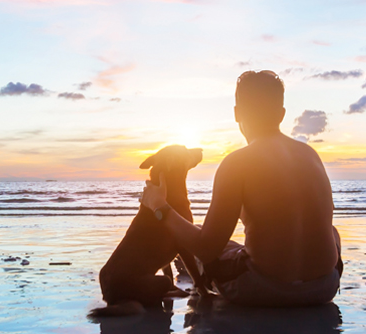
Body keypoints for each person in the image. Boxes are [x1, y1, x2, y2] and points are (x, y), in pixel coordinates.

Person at [141, 70, 342, 306]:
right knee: (333, 232)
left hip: (262, 290)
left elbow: (207, 248)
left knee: (197, 239)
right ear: (281, 114)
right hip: (323, 287)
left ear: (237, 114)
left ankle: (194, 274)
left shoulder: (237, 163)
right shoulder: (311, 155)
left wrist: (159, 206)